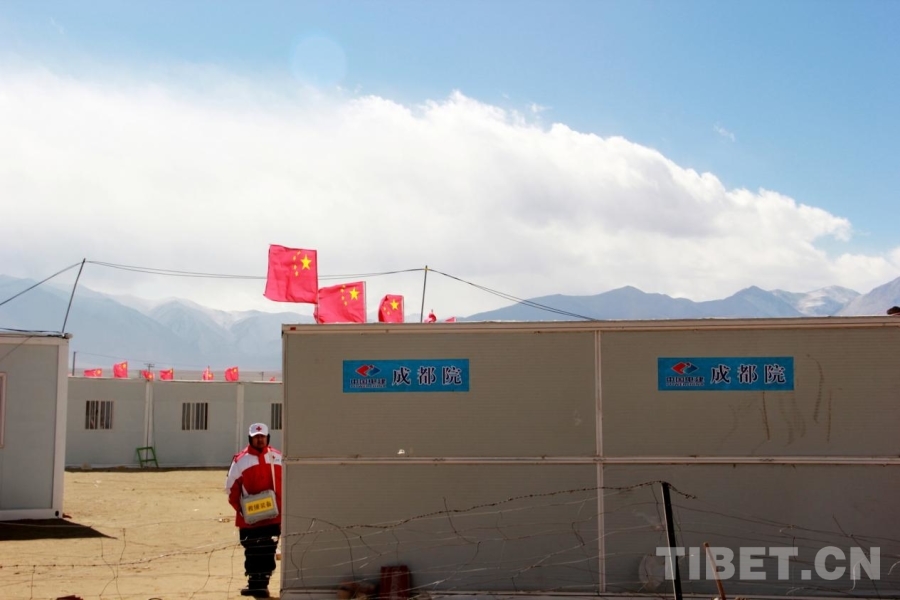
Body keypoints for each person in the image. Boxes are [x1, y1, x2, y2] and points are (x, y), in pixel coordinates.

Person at [226, 423, 283, 598]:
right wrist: (241, 511)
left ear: (268, 438)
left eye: (262, 436)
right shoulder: (240, 461)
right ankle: (254, 584)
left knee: (268, 550)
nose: (259, 440)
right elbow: (231, 488)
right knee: (251, 550)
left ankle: (262, 585)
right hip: (250, 519)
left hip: (274, 517)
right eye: (256, 437)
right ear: (250, 439)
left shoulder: (278, 457)